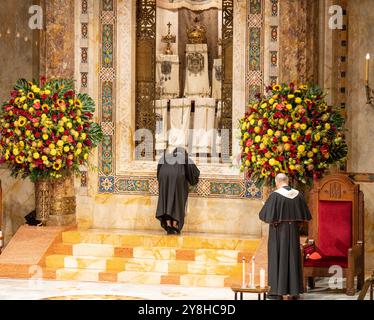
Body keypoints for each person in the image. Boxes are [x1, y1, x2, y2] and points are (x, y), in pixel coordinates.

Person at [259, 173, 312, 300]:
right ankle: (294, 292)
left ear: (277, 182)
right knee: (293, 258)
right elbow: (305, 216)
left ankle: (276, 292)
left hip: (278, 232)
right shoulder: (298, 195)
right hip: (293, 232)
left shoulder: (275, 196)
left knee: (277, 258)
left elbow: (264, 215)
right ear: (287, 181)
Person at [156, 147, 200, 235]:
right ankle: (175, 225)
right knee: (178, 199)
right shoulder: (184, 158)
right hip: (177, 177)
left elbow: (158, 170)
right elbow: (195, 173)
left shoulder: (165, 157)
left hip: (163, 176)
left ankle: (168, 225)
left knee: (166, 200)